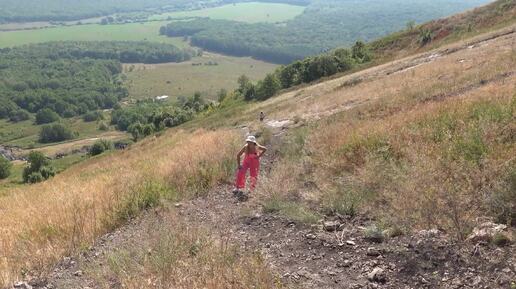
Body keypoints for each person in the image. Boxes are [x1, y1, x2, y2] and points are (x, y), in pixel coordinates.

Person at [233, 135, 266, 200]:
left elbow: (265, 149)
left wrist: (259, 156)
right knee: (240, 172)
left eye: (250, 141)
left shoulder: (257, 147)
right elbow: (238, 155)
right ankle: (238, 187)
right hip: (246, 161)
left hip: (254, 162)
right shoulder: (245, 147)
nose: (248, 143)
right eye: (248, 141)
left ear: (253, 142)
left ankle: (252, 189)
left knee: (253, 175)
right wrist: (239, 165)